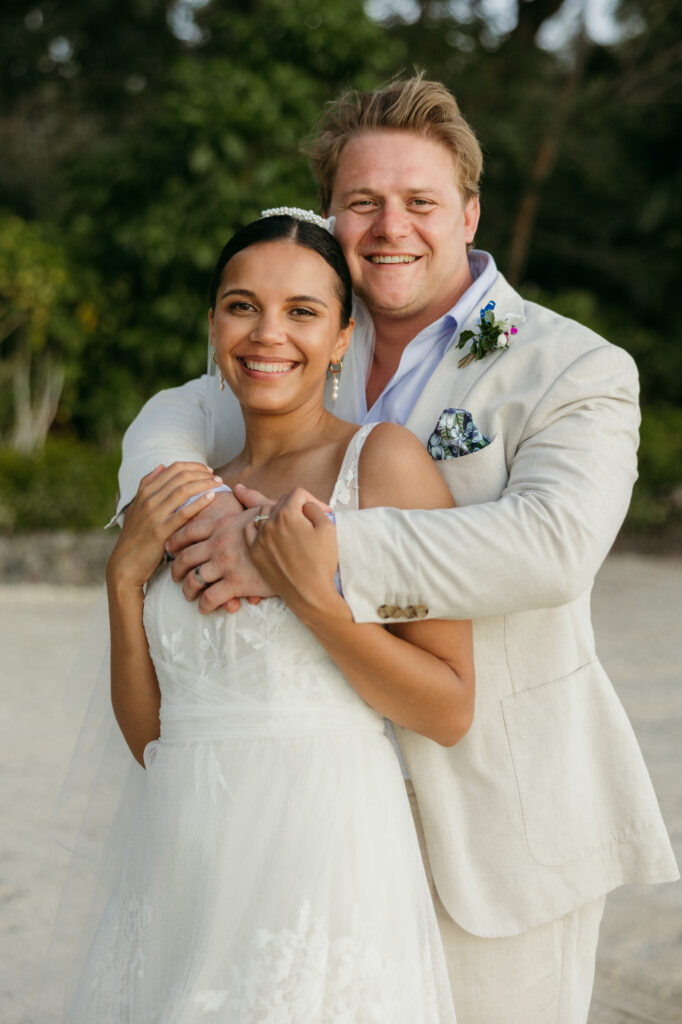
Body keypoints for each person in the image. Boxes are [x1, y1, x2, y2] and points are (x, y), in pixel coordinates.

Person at [115, 78, 679, 1024]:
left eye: (419, 202)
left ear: (468, 210)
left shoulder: (573, 368)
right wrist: (191, 503)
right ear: (332, 214)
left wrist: (292, 556)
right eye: (362, 203)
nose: (390, 229)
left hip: (496, 831)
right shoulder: (311, 327)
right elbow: (169, 417)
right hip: (306, 829)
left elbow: (549, 548)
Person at [66, 214, 473, 1022]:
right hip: (179, 865)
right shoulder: (186, 492)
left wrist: (309, 595)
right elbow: (155, 739)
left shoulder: (382, 460)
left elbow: (450, 707)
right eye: (242, 306)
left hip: (318, 857)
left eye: (301, 312)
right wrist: (122, 581)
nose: (267, 335)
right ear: (213, 323)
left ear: (341, 337)